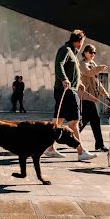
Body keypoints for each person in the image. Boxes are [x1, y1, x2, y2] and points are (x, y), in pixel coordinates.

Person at [45, 30, 94, 161]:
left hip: (67, 89)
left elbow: (70, 70)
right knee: (74, 122)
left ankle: (49, 148)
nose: (82, 44)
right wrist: (64, 79)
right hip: (66, 91)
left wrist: (78, 84)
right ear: (79, 41)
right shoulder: (66, 49)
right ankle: (81, 151)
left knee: (57, 122)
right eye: (82, 42)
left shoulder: (72, 52)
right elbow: (59, 64)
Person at [79, 44, 110, 153]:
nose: (93, 54)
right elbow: (88, 73)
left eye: (94, 52)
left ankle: (70, 136)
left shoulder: (92, 64)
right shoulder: (82, 64)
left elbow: (97, 82)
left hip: (93, 97)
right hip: (86, 96)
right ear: (85, 52)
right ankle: (100, 145)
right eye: (91, 52)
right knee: (94, 120)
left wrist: (105, 94)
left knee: (87, 121)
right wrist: (99, 68)